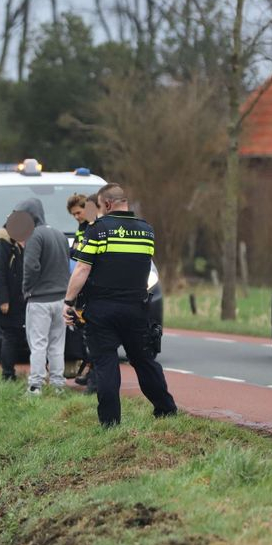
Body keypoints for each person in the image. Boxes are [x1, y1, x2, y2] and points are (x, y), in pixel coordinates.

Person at [63, 183, 177, 426]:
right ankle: (166, 410)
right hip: (136, 309)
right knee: (144, 361)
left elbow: (83, 268)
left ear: (106, 204)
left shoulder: (98, 230)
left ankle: (110, 423)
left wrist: (69, 301)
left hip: (102, 309)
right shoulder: (147, 231)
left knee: (106, 363)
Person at [17, 198, 71, 396]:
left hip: (39, 299)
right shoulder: (59, 234)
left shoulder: (33, 236)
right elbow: (67, 263)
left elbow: (31, 266)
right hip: (61, 298)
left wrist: (26, 289)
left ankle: (35, 386)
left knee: (38, 344)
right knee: (57, 344)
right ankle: (58, 385)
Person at [66, 193, 101, 392]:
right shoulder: (82, 227)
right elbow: (75, 251)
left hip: (95, 286)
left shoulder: (94, 227)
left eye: (78, 212)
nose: (77, 217)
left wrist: (78, 252)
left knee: (95, 335)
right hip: (85, 287)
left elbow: (81, 253)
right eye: (74, 215)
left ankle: (94, 378)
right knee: (86, 333)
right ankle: (90, 372)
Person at [0, 218, 27, 381]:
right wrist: (3, 299)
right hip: (10, 300)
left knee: (19, 335)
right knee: (10, 336)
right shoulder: (4, 246)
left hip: (22, 299)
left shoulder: (19, 245)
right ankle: (7, 373)